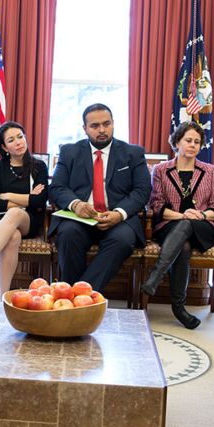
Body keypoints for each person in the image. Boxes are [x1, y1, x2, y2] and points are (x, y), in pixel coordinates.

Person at [49, 103, 151, 292]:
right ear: (85, 129)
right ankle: (81, 299)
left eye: (107, 124)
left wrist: (119, 214)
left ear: (113, 124)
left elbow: (142, 191)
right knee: (67, 234)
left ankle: (77, 296)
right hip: (80, 218)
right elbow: (57, 187)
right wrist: (76, 204)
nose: (102, 130)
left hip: (119, 219)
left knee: (122, 241)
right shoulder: (69, 152)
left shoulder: (133, 153)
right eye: (95, 126)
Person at [139, 121, 214, 330]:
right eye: (188, 140)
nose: (193, 145)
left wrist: (200, 215)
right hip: (170, 224)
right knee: (183, 246)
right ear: (177, 142)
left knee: (188, 225)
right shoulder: (160, 170)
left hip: (203, 227)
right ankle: (179, 308)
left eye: (197, 142)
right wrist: (181, 215)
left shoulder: (210, 171)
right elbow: (156, 205)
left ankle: (156, 275)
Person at [0, 121, 49, 293]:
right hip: (0, 222)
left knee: (14, 213)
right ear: (5, 147)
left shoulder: (38, 166)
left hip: (30, 221)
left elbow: (40, 201)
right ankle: (2, 299)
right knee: (12, 236)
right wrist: (27, 198)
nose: (18, 142)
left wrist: (8, 196)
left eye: (20, 137)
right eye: (11, 140)